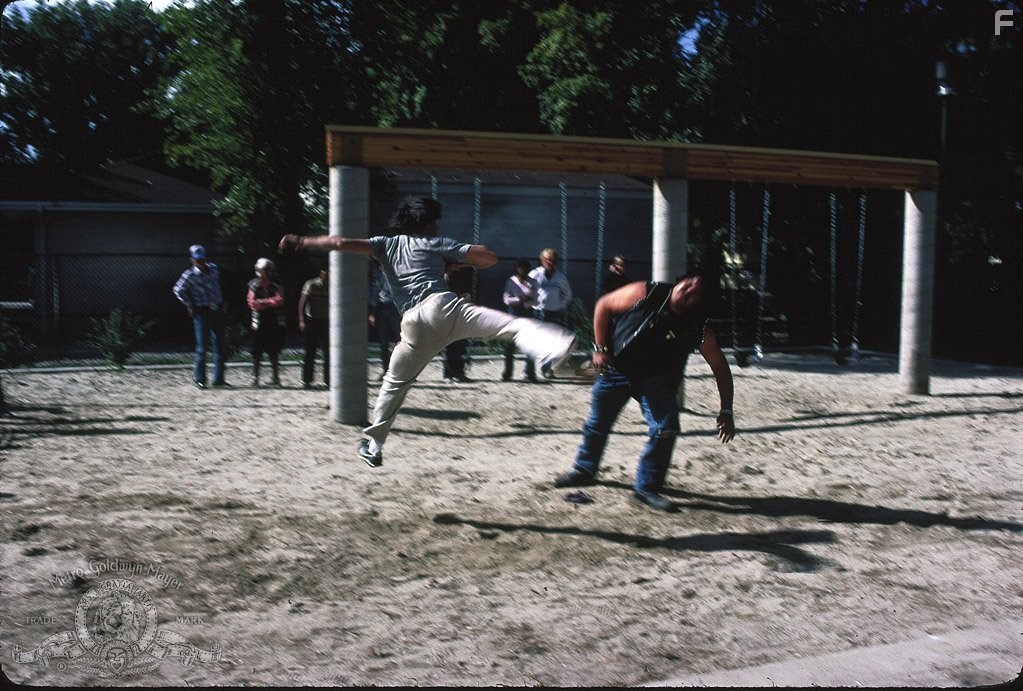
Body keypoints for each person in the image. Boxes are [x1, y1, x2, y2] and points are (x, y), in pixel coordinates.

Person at [278, 195, 578, 468]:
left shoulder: (385, 244)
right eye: (434, 222)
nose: (437, 227)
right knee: (512, 326)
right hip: (444, 308)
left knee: (395, 383)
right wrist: (456, 257)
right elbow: (488, 258)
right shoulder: (435, 242)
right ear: (425, 223)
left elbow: (339, 242)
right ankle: (555, 350)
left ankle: (373, 444)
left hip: (413, 323)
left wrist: (301, 240)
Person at [552, 270, 736, 512]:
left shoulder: (698, 327)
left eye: (697, 292)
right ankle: (584, 469)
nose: (689, 289)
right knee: (597, 423)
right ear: (681, 280)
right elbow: (603, 305)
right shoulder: (647, 292)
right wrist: (600, 349)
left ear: (700, 302)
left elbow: (721, 368)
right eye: (690, 282)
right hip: (617, 368)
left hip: (655, 381)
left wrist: (726, 411)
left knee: (666, 429)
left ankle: (646, 488)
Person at [173, 244, 227, 389]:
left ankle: (219, 379)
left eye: (202, 259)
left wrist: (222, 301)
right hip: (201, 311)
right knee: (202, 347)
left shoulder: (214, 269)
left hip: (217, 309)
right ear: (192, 260)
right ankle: (200, 379)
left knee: (220, 345)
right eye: (198, 260)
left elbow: (220, 285)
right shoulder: (189, 275)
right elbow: (178, 290)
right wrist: (189, 303)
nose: (201, 262)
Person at [528, 248, 573, 378]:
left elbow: (568, 295)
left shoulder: (560, 277)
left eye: (552, 260)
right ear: (542, 260)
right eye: (547, 259)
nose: (549, 262)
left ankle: (546, 369)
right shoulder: (534, 274)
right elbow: (526, 291)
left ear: (556, 261)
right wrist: (532, 303)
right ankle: (529, 372)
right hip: (537, 313)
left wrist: (559, 305)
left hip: (553, 314)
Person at [247, 257, 286, 387]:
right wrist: (269, 302)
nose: (266, 272)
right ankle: (255, 378)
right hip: (258, 322)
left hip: (273, 321)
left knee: (274, 350)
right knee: (256, 351)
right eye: (264, 270)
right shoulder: (253, 284)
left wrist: (262, 302)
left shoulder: (277, 284)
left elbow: (279, 300)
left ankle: (275, 378)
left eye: (268, 270)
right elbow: (252, 303)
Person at [501, 258, 539, 382]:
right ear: (516, 269)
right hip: (513, 314)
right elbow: (506, 299)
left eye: (525, 268)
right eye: (520, 268)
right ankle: (507, 374)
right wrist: (520, 299)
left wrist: (526, 302)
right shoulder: (511, 281)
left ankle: (530, 373)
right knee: (510, 345)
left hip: (527, 314)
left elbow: (536, 299)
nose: (523, 270)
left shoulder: (533, 282)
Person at [368, 261, 401, 380]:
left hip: (394, 307)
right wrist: (372, 312)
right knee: (383, 342)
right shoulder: (377, 274)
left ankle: (403, 369)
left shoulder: (396, 273)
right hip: (382, 308)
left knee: (400, 340)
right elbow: (374, 293)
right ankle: (386, 370)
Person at [442, 263, 474, 382]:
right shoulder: (448, 276)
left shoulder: (468, 275)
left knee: (461, 344)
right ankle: (448, 374)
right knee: (450, 345)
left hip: (463, 312)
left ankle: (459, 372)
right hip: (449, 312)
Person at [299, 266, 329, 388]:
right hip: (312, 320)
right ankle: (307, 380)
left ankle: (329, 380)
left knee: (328, 351)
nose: (328, 275)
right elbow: (302, 302)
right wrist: (301, 320)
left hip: (326, 321)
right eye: (326, 272)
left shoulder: (333, 286)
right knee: (310, 350)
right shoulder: (311, 284)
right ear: (321, 273)